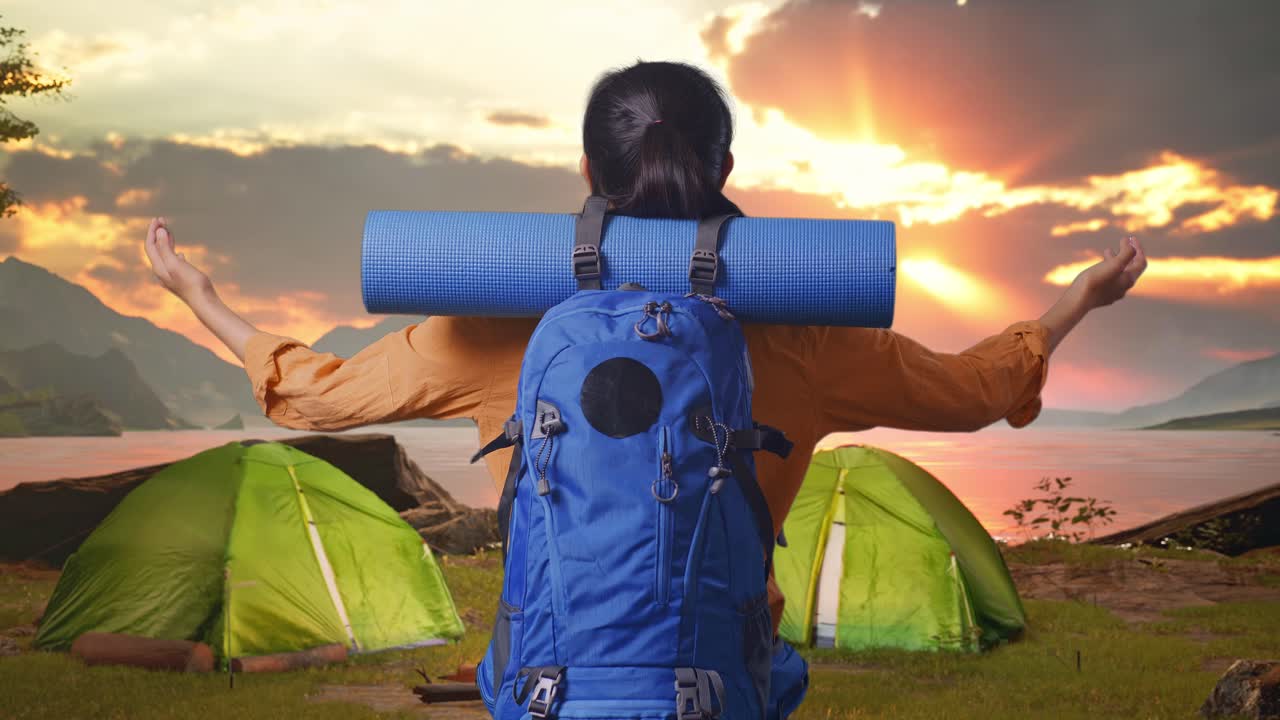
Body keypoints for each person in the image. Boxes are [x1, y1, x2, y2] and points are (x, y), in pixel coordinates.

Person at [142, 60, 1146, 637]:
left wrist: (204, 299)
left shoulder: (499, 331)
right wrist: (1072, 303)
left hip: (553, 660)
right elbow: (975, 391)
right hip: (724, 654)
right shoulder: (804, 335)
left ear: (584, 167)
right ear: (725, 168)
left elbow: (315, 398)